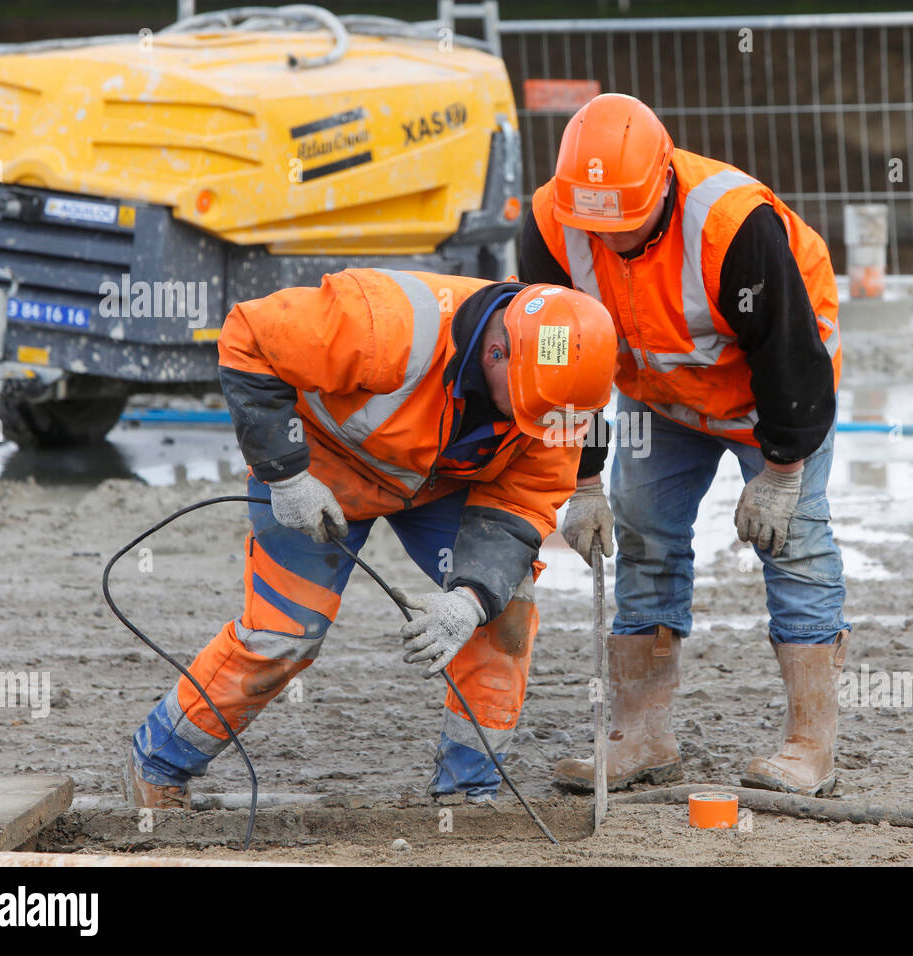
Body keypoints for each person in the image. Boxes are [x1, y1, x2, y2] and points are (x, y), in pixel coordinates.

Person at [125, 269, 617, 808]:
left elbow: (518, 504)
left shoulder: (555, 399)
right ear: (496, 353)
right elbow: (249, 337)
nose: (542, 428)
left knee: (504, 614)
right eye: (532, 412)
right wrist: (284, 472)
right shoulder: (385, 325)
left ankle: (467, 793)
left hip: (439, 484)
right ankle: (159, 763)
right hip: (318, 473)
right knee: (284, 636)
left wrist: (471, 597)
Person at [519, 93, 849, 797]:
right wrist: (580, 480)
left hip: (775, 390)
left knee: (794, 545)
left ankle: (808, 745)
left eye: (625, 227)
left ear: (663, 182)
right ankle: (642, 735)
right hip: (660, 394)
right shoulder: (552, 222)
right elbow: (557, 361)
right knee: (643, 536)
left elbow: (791, 356)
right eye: (595, 228)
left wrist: (782, 470)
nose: (607, 242)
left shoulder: (734, 228)